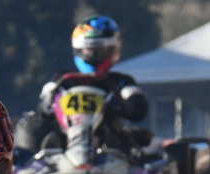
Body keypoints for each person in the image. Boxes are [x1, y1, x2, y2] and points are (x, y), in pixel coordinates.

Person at [14, 15, 150, 159]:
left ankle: (114, 156)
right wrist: (48, 103)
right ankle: (34, 159)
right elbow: (43, 109)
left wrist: (122, 105)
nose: (91, 55)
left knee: (131, 135)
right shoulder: (62, 79)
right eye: (87, 50)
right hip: (64, 139)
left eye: (98, 51)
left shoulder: (120, 82)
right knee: (28, 125)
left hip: (106, 140)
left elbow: (139, 108)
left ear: (112, 50)